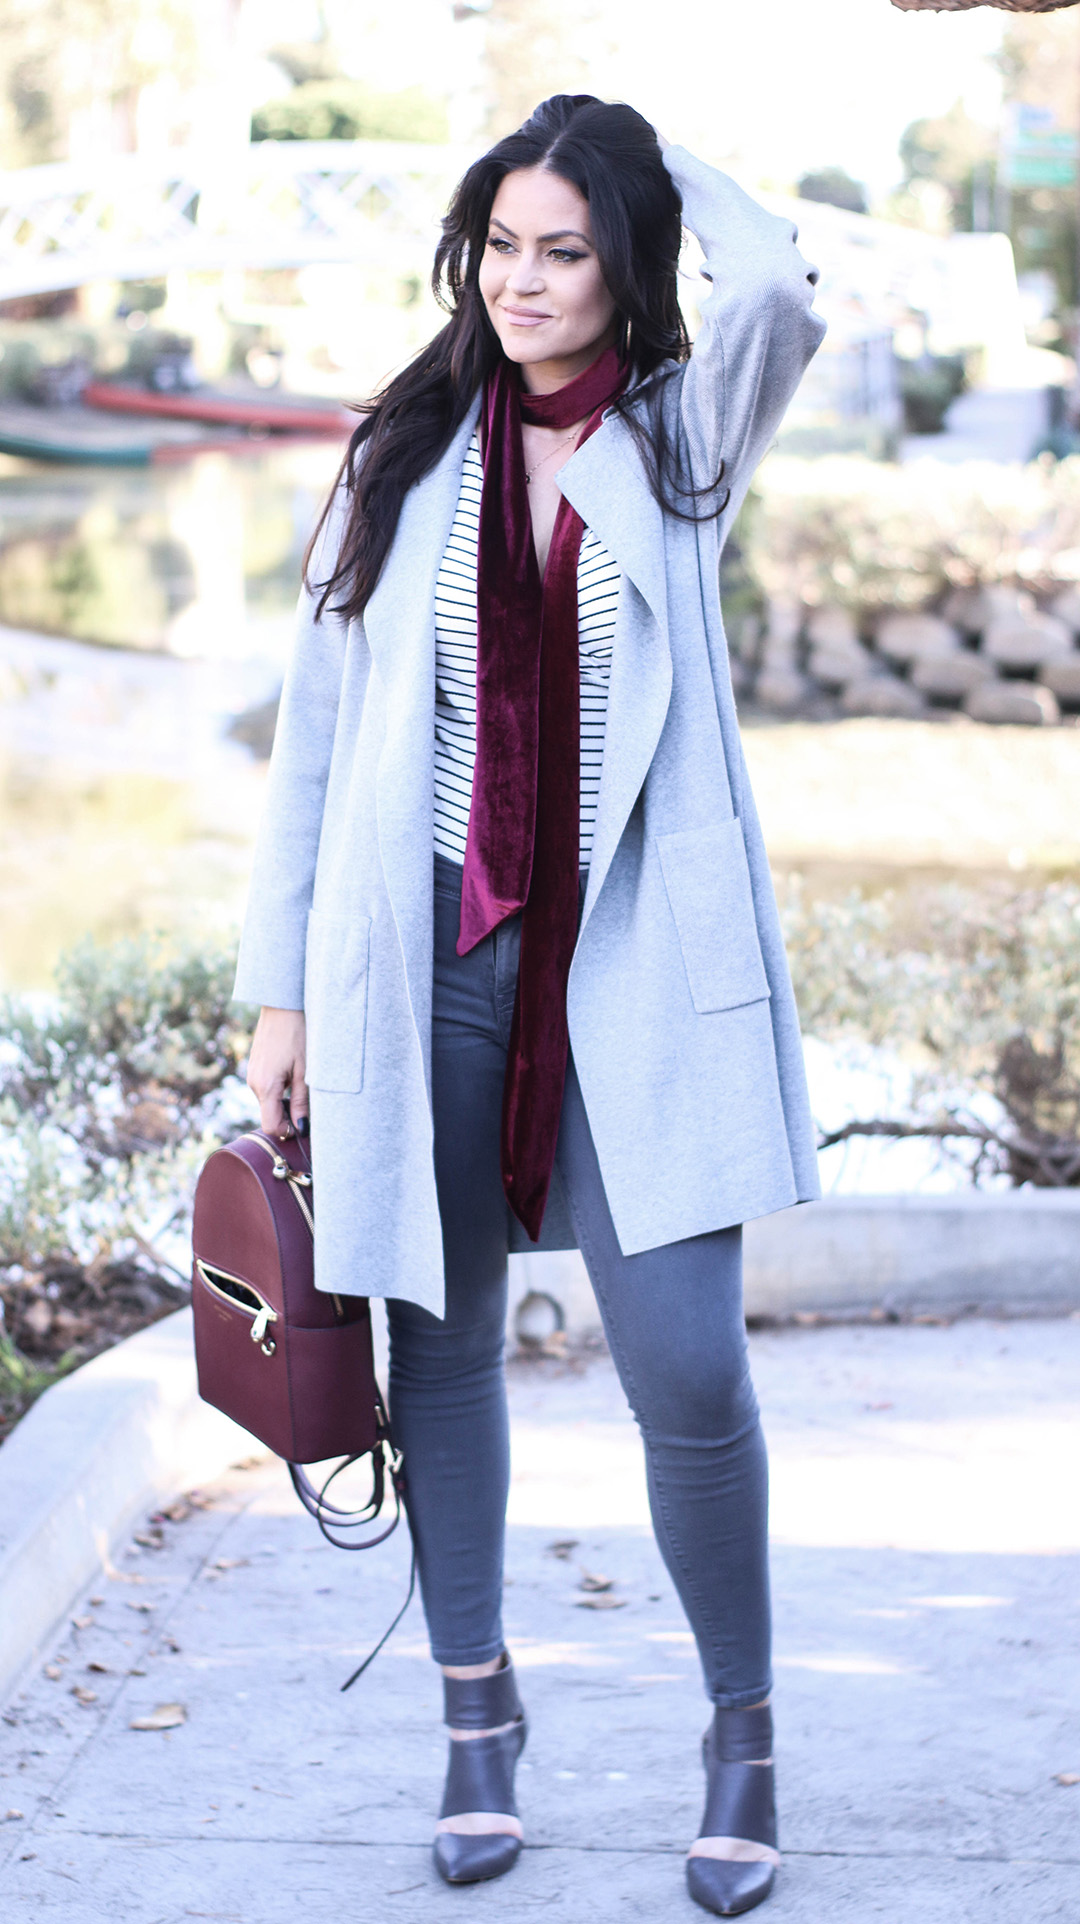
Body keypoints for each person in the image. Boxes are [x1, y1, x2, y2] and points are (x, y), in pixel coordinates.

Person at [236, 93, 824, 1918]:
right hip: (428, 955)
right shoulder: (403, 452)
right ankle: (475, 1713)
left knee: (686, 1368)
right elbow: (314, 750)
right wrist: (282, 999)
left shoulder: (680, 439)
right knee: (446, 1357)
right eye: (502, 244)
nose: (524, 280)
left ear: (628, 260)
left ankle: (742, 1734)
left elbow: (785, 293)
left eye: (567, 247)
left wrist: (642, 154)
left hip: (633, 960)